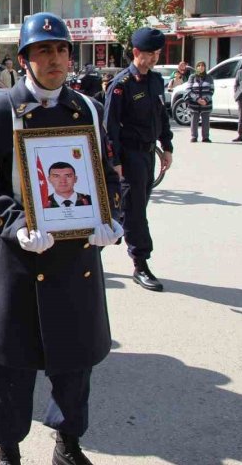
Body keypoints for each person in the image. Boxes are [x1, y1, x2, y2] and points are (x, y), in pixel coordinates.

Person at [0, 12, 123, 465]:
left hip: (76, 257)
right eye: (42, 51)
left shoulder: (87, 108)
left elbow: (107, 176)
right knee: (11, 371)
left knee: (75, 364)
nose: (54, 59)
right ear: (24, 59)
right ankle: (9, 451)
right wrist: (17, 225)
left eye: (61, 50)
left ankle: (67, 445)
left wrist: (111, 217)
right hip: (20, 257)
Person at [104, 27, 173, 292]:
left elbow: (162, 115)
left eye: (157, 53)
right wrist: (115, 161)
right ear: (135, 52)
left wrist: (167, 146)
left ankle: (95, 247)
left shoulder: (155, 81)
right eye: (149, 53)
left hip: (148, 154)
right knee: (135, 212)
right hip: (129, 155)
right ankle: (140, 264)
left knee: (131, 209)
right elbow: (110, 127)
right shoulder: (121, 85)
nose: (154, 58)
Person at [187, 61, 214, 143]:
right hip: (194, 103)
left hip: (206, 104)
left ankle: (205, 137)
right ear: (196, 67)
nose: (201, 67)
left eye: (202, 66)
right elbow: (189, 90)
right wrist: (197, 99)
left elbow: (211, 91)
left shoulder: (209, 77)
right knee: (194, 120)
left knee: (206, 121)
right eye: (199, 66)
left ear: (205, 67)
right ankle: (194, 136)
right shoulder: (192, 77)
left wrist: (205, 100)